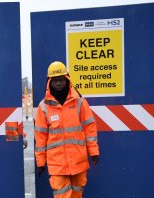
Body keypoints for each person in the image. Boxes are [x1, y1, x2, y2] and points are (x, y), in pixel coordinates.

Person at [34, 61, 99, 198]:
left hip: (78, 161)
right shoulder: (44, 106)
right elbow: (40, 136)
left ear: (67, 79)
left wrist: (93, 151)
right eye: (55, 80)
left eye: (61, 79)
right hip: (57, 164)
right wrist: (40, 161)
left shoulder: (79, 102)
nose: (58, 83)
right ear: (49, 82)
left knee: (76, 194)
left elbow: (89, 127)